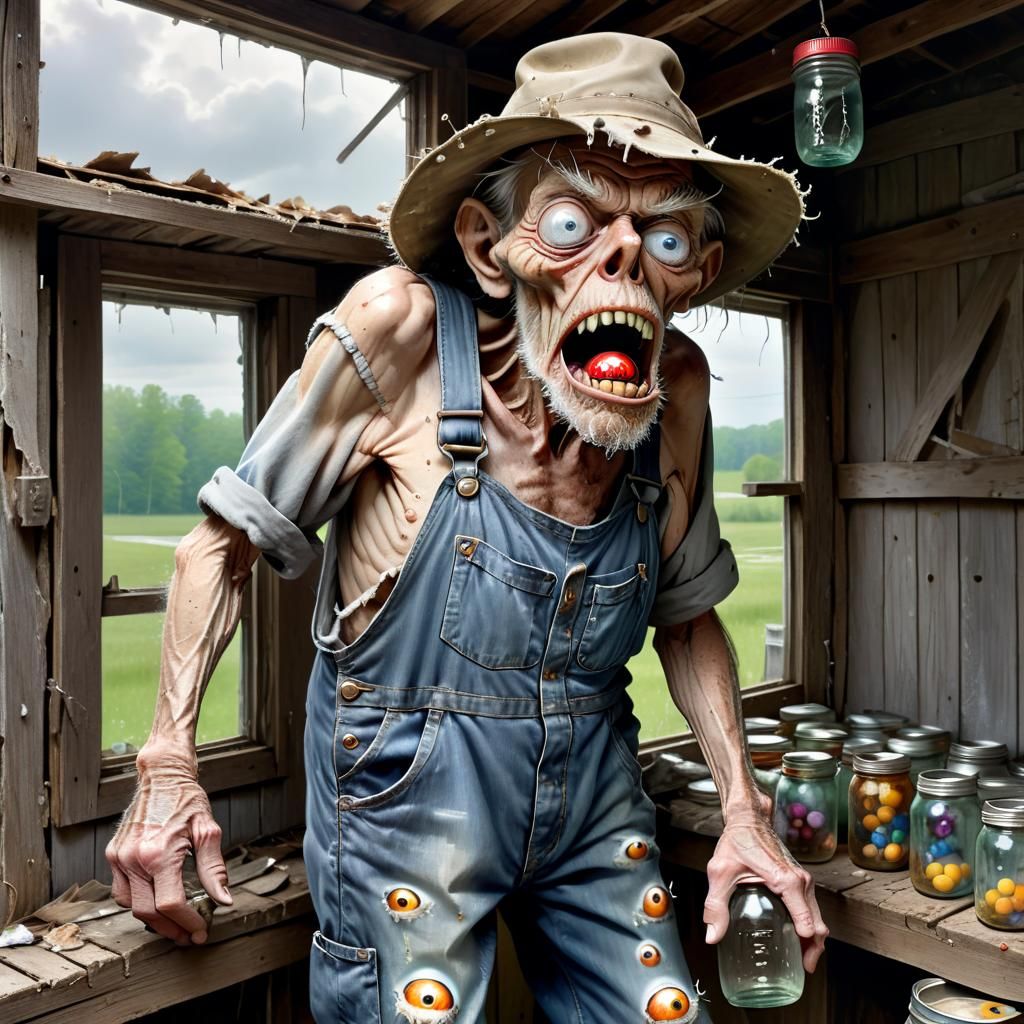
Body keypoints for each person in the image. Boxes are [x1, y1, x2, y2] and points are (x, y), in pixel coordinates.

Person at [107, 32, 827, 1024]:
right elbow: (217, 546)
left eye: (660, 239)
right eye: (573, 222)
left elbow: (688, 616)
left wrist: (744, 809)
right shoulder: (399, 328)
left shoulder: (678, 387)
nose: (622, 258)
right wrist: (170, 768)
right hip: (405, 792)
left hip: (592, 789)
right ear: (491, 247)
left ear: (694, 273)